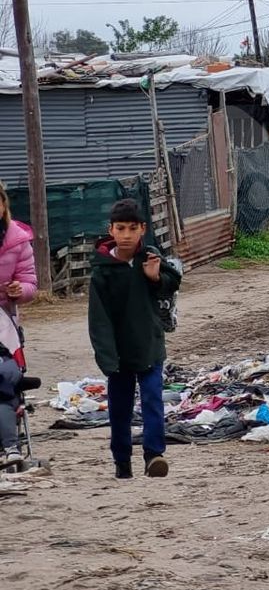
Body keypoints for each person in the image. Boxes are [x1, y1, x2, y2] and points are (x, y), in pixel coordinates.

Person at [88, 199, 181, 480]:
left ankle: (154, 455)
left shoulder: (150, 258)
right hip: (119, 354)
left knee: (153, 399)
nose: (126, 234)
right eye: (120, 228)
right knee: (120, 409)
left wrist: (154, 278)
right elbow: (99, 320)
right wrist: (106, 356)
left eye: (132, 228)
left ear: (142, 229)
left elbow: (172, 281)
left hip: (150, 345)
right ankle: (122, 461)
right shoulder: (103, 271)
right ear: (111, 230)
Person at [0, 187, 37, 466]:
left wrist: (18, 290)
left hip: (4, 328)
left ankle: (10, 448)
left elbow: (30, 284)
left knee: (5, 380)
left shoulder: (17, 241)